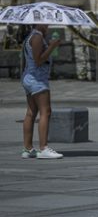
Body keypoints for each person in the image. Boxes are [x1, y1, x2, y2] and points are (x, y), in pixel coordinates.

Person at [20, 23, 62, 159]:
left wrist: (48, 45)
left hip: (29, 77)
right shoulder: (37, 37)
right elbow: (39, 60)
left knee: (31, 112)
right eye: (45, 22)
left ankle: (28, 149)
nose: (47, 24)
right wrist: (52, 46)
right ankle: (43, 148)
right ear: (38, 23)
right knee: (46, 111)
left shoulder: (32, 36)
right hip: (37, 79)